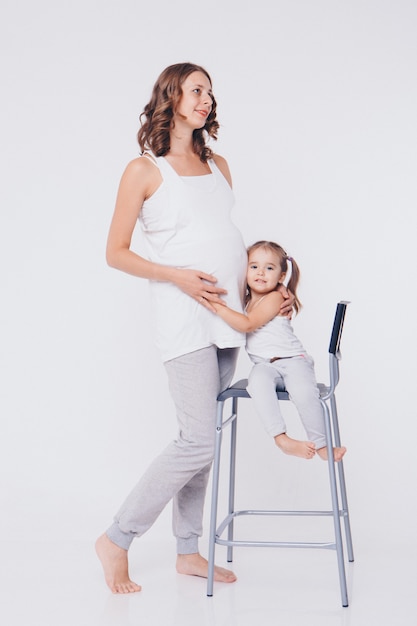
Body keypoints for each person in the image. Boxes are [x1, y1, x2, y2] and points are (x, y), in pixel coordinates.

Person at [95, 63, 294, 594]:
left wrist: (271, 293)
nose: (206, 100)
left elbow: (228, 240)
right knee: (196, 441)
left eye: (210, 92)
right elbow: (115, 253)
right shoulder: (144, 169)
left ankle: (187, 551)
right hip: (185, 317)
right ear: (172, 97)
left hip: (230, 319)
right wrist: (177, 277)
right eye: (197, 90)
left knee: (205, 437)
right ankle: (117, 537)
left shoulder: (219, 164)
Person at [211, 240, 347, 462]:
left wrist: (216, 306)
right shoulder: (244, 300)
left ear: (281, 276)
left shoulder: (275, 297)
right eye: (254, 266)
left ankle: (322, 446)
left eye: (269, 268)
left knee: (303, 393)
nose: (261, 273)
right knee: (257, 383)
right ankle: (281, 438)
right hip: (265, 365)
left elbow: (247, 324)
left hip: (294, 361)